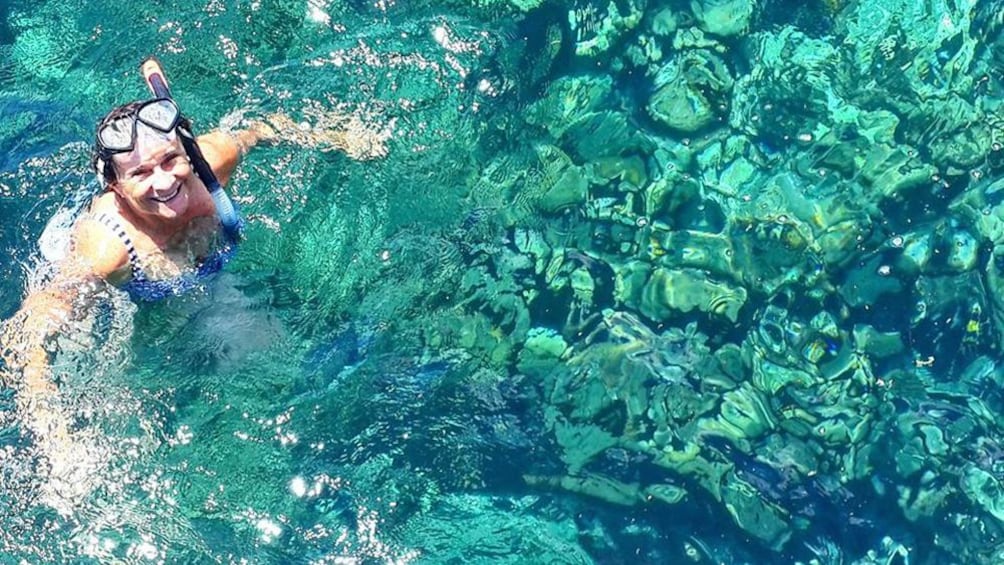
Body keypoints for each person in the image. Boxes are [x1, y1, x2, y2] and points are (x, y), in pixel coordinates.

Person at [0, 59, 388, 510]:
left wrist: (344, 139)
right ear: (115, 184)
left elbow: (262, 128)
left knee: (284, 366)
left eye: (170, 160)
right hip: (140, 306)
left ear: (187, 152)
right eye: (140, 174)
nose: (164, 181)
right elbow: (26, 337)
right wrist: (58, 441)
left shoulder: (212, 163)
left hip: (210, 286)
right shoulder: (107, 248)